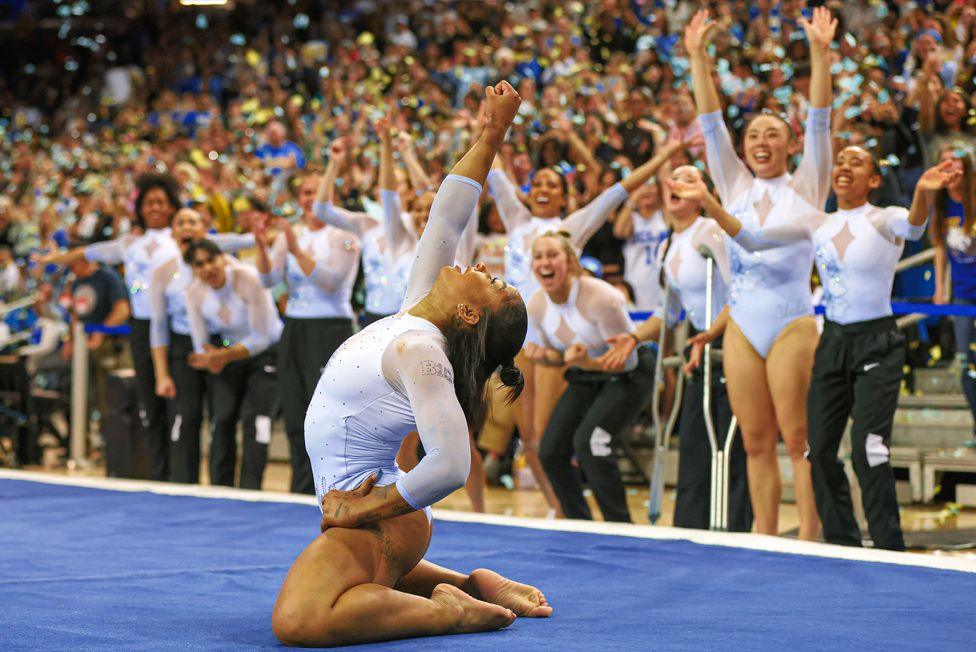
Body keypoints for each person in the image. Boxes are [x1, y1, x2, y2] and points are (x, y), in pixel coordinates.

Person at [273, 81, 550, 648]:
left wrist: (366, 508)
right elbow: (447, 216)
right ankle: (467, 582)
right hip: (376, 511)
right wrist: (492, 132)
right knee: (362, 585)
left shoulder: (421, 352)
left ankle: (452, 612)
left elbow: (450, 465)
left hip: (379, 514)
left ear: (469, 312)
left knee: (300, 620)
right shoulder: (417, 319)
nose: (477, 263)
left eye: (492, 281)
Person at [685, 8, 835, 539]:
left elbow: (820, 119)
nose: (761, 141)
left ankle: (812, 535)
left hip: (793, 318)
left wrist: (820, 54)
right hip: (745, 324)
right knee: (753, 441)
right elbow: (710, 125)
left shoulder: (808, 185)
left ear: (790, 145)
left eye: (773, 134)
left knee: (799, 439)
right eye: (754, 135)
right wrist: (698, 57)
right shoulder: (734, 187)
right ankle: (767, 538)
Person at [487, 130, 692, 515]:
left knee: (549, 433)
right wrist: (491, 127)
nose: (544, 188)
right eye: (538, 182)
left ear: (565, 196)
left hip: (556, 339)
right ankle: (558, 506)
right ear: (529, 192)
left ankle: (563, 510)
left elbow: (617, 191)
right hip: (519, 340)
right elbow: (495, 175)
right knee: (528, 437)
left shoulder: (571, 227)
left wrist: (666, 154)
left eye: (554, 183)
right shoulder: (517, 220)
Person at [601, 165, 752, 532]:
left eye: (688, 179)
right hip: (699, 345)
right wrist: (636, 336)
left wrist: (713, 335)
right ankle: (691, 528)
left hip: (732, 340)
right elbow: (670, 310)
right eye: (673, 179)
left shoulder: (714, 232)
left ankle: (735, 529)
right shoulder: (671, 244)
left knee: (731, 442)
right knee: (695, 442)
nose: (675, 185)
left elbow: (743, 292)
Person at [42, 173, 182, 482]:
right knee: (149, 403)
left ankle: (181, 475)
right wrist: (55, 258)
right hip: (142, 328)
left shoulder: (181, 238)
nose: (155, 208)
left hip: (177, 328)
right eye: (148, 203)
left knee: (179, 405)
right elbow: (88, 252)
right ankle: (159, 476)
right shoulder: (130, 243)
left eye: (161, 202)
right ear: (140, 208)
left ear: (172, 206)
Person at [526, 231, 654, 522]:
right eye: (539, 256)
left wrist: (585, 362)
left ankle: (620, 526)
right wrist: (545, 357)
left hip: (630, 375)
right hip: (588, 374)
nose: (545, 262)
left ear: (570, 261)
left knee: (591, 443)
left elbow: (628, 361)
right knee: (550, 450)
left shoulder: (603, 299)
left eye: (553, 255)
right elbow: (563, 356)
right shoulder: (536, 306)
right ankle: (578, 522)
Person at [253, 173, 360, 494]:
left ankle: (333, 486)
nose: (307, 199)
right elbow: (269, 280)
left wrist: (297, 249)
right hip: (295, 327)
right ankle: (300, 485)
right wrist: (261, 245)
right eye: (303, 193)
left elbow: (332, 282)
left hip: (329, 328)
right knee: (295, 406)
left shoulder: (345, 235)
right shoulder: (291, 234)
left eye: (314, 192)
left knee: (327, 414)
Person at [149, 207, 254, 484]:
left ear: (205, 230)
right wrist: (161, 374)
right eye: (180, 222)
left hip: (221, 346)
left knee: (223, 418)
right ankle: (184, 487)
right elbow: (158, 326)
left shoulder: (226, 265)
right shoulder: (163, 272)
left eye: (193, 222)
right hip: (184, 350)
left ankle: (223, 487)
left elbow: (249, 240)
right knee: (186, 418)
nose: (186, 227)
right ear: (173, 232)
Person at [184, 238, 282, 490]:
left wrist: (221, 356)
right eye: (199, 264)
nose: (208, 268)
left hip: (266, 355)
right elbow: (200, 342)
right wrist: (208, 359)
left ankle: (252, 489)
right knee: (222, 418)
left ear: (222, 259)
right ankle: (220, 488)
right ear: (193, 269)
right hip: (228, 356)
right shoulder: (194, 293)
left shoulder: (248, 278)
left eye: (211, 260)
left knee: (256, 420)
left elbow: (264, 336)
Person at [930, 145, 976, 445]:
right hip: (962, 297)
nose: (949, 164)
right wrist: (939, 288)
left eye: (954, 159)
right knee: (965, 362)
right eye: (944, 160)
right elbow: (939, 249)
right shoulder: (941, 206)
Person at [613, 180, 669, 314]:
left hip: (662, 283)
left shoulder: (664, 215)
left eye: (651, 186)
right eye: (642, 186)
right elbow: (619, 231)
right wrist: (635, 197)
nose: (647, 190)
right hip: (635, 283)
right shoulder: (632, 218)